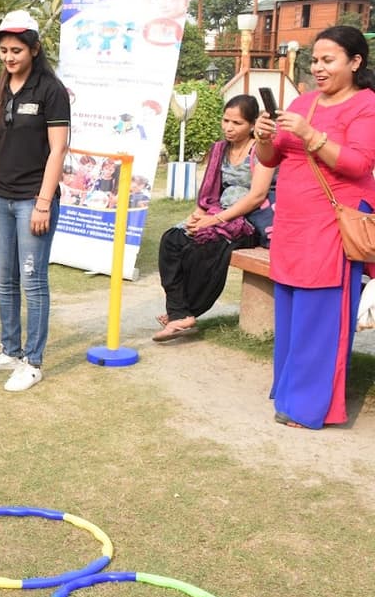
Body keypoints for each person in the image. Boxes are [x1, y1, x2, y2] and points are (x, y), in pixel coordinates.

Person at [253, 24, 375, 429]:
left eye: (328, 60)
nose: (318, 68)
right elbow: (271, 159)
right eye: (315, 60)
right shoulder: (303, 101)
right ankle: (289, 390)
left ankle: (308, 407)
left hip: (332, 222)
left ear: (355, 62)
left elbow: (360, 163)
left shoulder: (366, 105)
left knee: (320, 314)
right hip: (291, 222)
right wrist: (263, 137)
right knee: (290, 309)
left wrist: (311, 135)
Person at [0, 10, 70, 392]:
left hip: (32, 201)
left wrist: (43, 203)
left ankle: (32, 362)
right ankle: (9, 350)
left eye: (16, 50)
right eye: (4, 50)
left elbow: (58, 151)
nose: (9, 57)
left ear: (34, 49)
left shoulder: (51, 91)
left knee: (32, 281)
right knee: (4, 280)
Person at [153, 95, 275, 342]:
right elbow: (210, 193)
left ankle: (184, 312)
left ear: (252, 124)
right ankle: (179, 312)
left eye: (237, 123)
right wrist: (197, 217)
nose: (229, 127)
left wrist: (215, 220)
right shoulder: (220, 149)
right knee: (173, 239)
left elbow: (256, 196)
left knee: (205, 248)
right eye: (226, 120)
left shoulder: (261, 150)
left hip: (246, 221)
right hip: (217, 213)